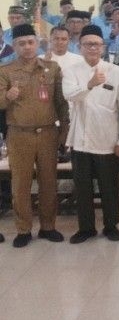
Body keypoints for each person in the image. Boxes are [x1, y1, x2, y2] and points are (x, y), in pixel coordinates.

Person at [0, 24, 69, 247]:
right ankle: (23, 229)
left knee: (49, 182)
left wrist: (64, 132)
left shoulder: (51, 68)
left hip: (49, 133)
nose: (27, 47)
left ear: (38, 43)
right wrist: (8, 96)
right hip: (19, 135)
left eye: (30, 42)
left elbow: (61, 103)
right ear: (14, 45)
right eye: (21, 43)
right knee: (20, 184)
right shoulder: (5, 71)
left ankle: (48, 227)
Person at [62, 24, 119, 244]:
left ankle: (111, 225)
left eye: (96, 44)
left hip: (107, 140)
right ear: (80, 46)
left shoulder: (115, 71)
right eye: (88, 44)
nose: (92, 48)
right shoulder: (71, 70)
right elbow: (70, 96)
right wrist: (90, 85)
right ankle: (86, 228)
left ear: (103, 47)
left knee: (109, 187)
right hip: (81, 140)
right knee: (82, 188)